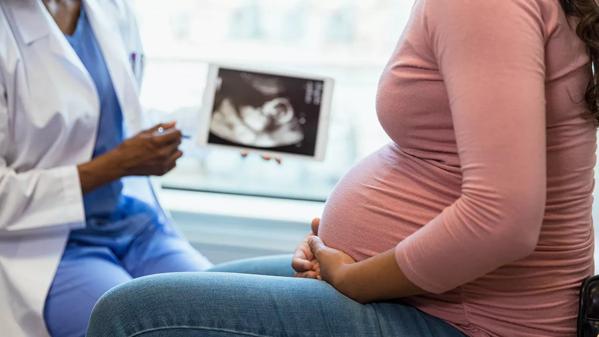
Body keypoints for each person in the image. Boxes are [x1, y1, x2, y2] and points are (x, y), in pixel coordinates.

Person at [88, 0, 598, 336]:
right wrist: (344, 240)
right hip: (437, 294)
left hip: (473, 320)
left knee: (130, 317)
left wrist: (356, 277)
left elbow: (502, 220)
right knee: (185, 288)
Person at [0, 1, 218, 336]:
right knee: (142, 326)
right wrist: (113, 166)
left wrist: (222, 131)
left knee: (227, 315)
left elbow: (114, 112)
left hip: (133, 225)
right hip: (48, 245)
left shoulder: (109, 8)